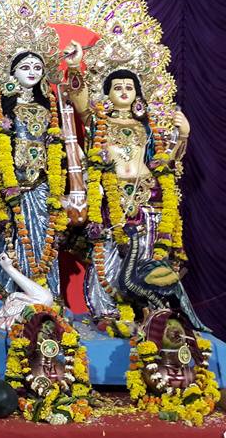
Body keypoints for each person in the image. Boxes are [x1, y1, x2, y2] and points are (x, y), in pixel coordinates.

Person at [64, 41, 206, 329]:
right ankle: (108, 311)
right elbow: (79, 101)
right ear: (107, 93)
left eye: (129, 87)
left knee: (145, 252)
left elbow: (165, 164)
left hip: (146, 195)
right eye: (117, 87)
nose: (124, 91)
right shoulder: (98, 122)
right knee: (108, 251)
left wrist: (183, 135)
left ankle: (146, 313)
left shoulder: (147, 127)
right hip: (112, 194)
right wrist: (75, 66)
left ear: (138, 94)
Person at [0, 17, 65, 297]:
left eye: (38, 67)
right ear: (12, 71)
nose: (33, 72)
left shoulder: (50, 105)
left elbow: (60, 150)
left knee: (44, 240)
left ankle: (44, 294)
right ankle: (5, 292)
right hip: (7, 185)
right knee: (5, 236)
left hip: (41, 185)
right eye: (25, 67)